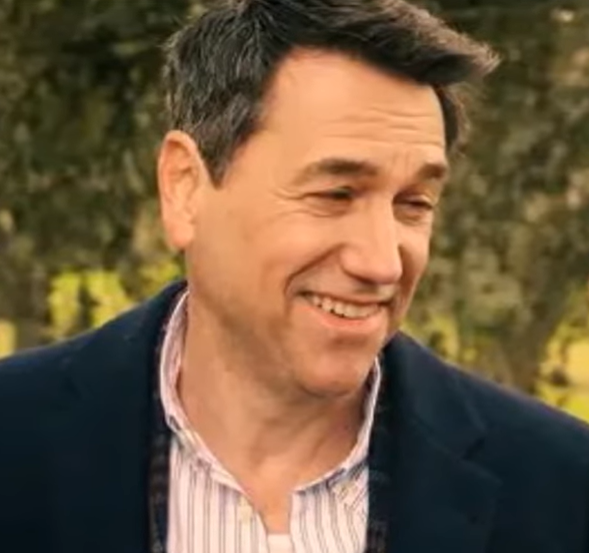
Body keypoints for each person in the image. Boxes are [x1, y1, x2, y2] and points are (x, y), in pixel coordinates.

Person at [1, 0, 588, 552]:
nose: (382, 263)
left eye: (413, 204)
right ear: (185, 187)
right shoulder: (17, 438)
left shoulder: (560, 488)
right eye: (336, 194)